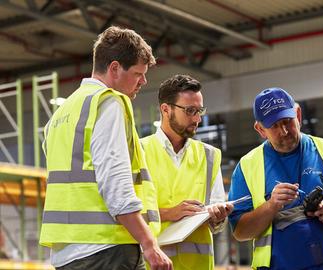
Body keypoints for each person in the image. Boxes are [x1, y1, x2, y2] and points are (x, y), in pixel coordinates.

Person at [39, 26, 172, 270]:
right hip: (106, 250)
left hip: (67, 255)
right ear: (114, 68)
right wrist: (148, 242)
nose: (143, 81)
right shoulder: (108, 102)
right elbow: (115, 182)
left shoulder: (61, 114)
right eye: (137, 73)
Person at [228, 87, 323, 270]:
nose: (284, 131)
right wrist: (271, 206)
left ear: (298, 115)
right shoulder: (247, 167)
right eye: (274, 126)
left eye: (287, 121)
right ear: (260, 129)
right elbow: (240, 231)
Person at [141, 74, 233, 270]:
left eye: (199, 111)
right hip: (151, 264)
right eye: (190, 111)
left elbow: (218, 223)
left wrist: (218, 217)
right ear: (166, 109)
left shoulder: (209, 156)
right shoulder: (138, 152)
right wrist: (168, 213)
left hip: (198, 265)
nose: (198, 119)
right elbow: (124, 215)